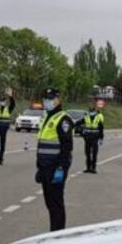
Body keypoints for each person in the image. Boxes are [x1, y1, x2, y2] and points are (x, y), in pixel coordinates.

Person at [35, 86, 74, 231]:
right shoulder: (47, 117)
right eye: (45, 99)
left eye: (50, 99)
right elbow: (42, 144)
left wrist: (61, 169)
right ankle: (54, 231)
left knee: (56, 203)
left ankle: (58, 234)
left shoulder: (63, 119)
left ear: (58, 100)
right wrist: (40, 167)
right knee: (49, 202)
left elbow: (66, 147)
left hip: (55, 167)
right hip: (45, 166)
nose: (47, 101)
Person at [81, 102, 105, 173]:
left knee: (94, 153)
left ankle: (93, 168)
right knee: (87, 153)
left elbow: (101, 129)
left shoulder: (98, 118)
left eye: (92, 111)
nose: (91, 113)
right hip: (87, 138)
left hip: (95, 138)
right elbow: (80, 122)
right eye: (90, 111)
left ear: (95, 112)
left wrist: (101, 138)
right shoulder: (86, 117)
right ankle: (88, 168)